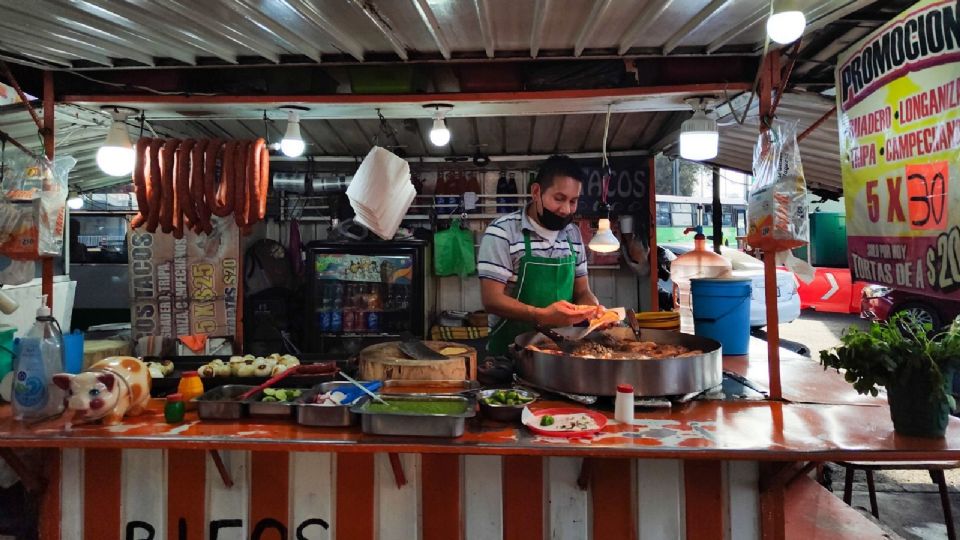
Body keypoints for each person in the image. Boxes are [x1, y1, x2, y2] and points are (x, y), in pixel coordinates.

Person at [478, 155, 603, 355]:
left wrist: (595, 313)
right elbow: (491, 299)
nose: (566, 209)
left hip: (561, 353)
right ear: (536, 192)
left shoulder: (573, 234)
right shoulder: (502, 232)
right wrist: (542, 315)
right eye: (559, 199)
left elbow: (582, 292)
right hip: (510, 354)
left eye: (573, 201)